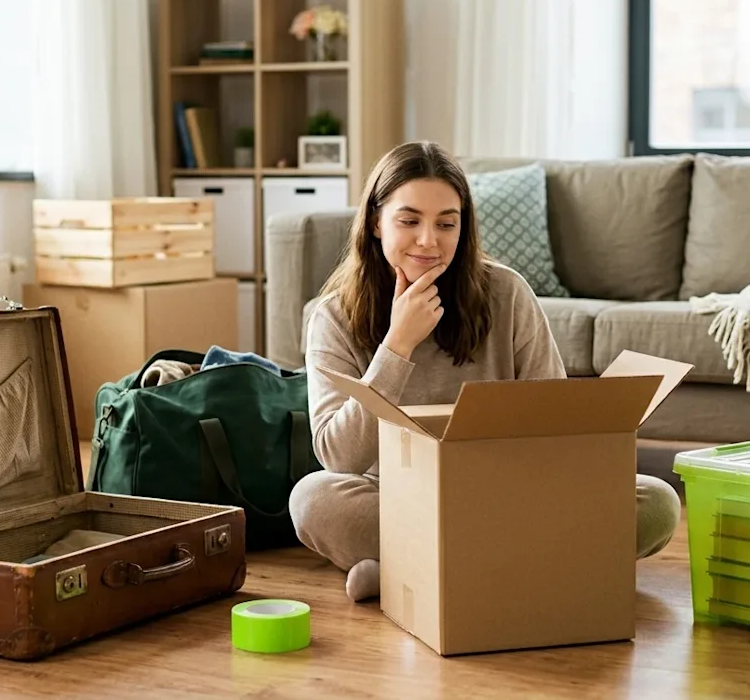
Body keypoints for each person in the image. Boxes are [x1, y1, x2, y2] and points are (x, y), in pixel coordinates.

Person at [290, 140, 681, 602]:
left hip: (511, 494)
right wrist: (397, 345)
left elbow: (556, 418)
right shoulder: (333, 316)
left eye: (446, 224)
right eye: (409, 220)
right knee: (314, 500)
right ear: (376, 222)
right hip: (402, 496)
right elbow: (338, 457)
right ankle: (525, 563)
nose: (428, 241)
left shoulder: (507, 293)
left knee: (656, 502)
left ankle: (412, 566)